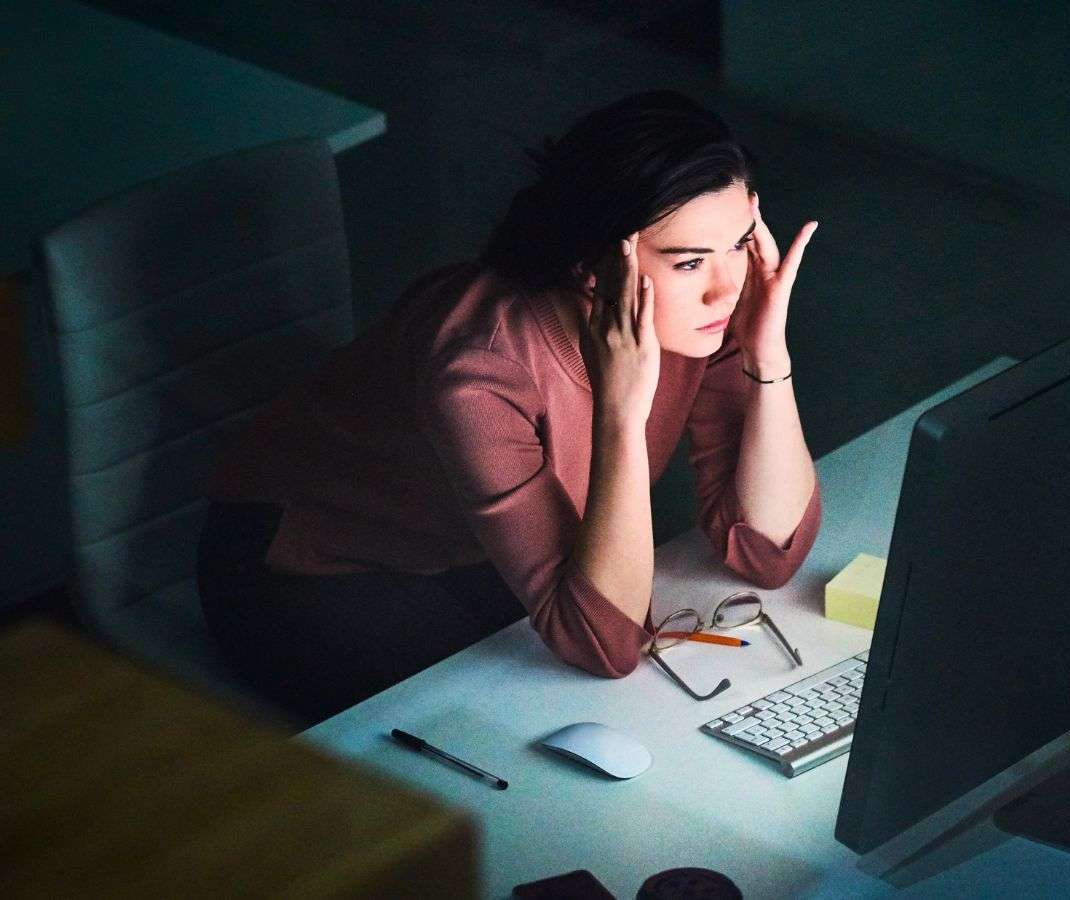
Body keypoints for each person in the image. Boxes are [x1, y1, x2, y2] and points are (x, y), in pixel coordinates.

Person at [197, 90, 824, 724]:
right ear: (596, 267)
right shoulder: (478, 370)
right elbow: (606, 644)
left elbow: (768, 553)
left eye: (741, 244)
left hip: (469, 548)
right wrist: (620, 412)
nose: (730, 286)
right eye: (689, 261)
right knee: (504, 733)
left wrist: (767, 357)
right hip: (311, 565)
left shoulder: (699, 319)